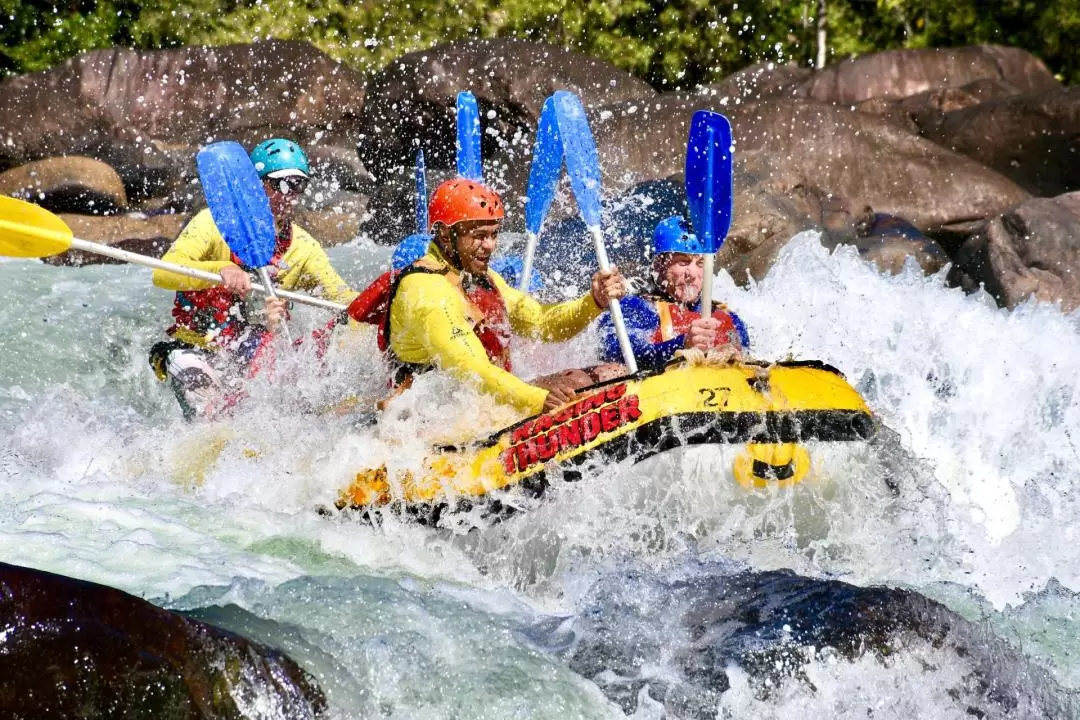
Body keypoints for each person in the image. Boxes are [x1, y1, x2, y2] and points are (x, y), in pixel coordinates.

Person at [148, 138, 359, 420]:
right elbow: (163, 273)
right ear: (256, 184)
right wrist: (221, 269)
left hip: (254, 355)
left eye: (299, 185)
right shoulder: (211, 223)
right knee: (204, 406)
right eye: (282, 184)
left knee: (291, 397)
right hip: (197, 348)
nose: (291, 195)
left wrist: (389, 299)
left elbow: (344, 298)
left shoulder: (303, 248)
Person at [379, 178, 627, 414]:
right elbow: (472, 371)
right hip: (435, 419)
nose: (490, 246)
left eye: (494, 234)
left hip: (485, 400)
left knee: (611, 374)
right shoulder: (425, 291)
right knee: (576, 393)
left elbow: (543, 324)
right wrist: (538, 400)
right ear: (445, 235)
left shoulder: (475, 276)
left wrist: (594, 302)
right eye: (479, 236)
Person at [598, 216, 748, 369]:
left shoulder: (730, 318)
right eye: (683, 262)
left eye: (701, 263)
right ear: (658, 266)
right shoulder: (637, 308)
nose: (692, 274)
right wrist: (681, 344)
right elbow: (615, 349)